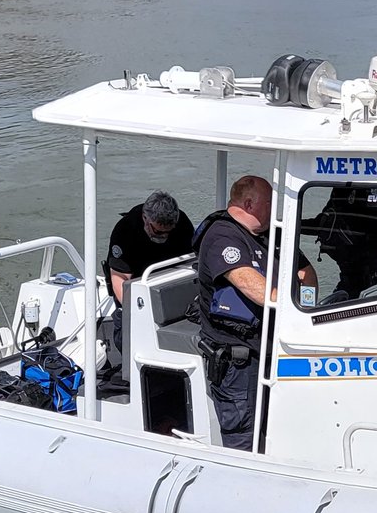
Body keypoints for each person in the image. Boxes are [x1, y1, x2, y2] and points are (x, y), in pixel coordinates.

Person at [191, 174, 310, 450]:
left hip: (275, 349)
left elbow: (306, 272)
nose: (276, 209)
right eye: (271, 202)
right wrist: (298, 308)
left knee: (279, 425)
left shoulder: (271, 234)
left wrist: (308, 302)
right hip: (239, 363)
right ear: (249, 203)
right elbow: (254, 287)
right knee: (244, 436)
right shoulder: (222, 236)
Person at [103, 190, 193, 370]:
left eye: (167, 232)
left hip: (172, 288)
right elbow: (119, 279)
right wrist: (136, 312)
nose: (163, 237)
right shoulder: (125, 230)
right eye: (158, 231)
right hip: (137, 289)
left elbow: (193, 260)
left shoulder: (181, 223)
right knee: (129, 337)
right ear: (145, 218)